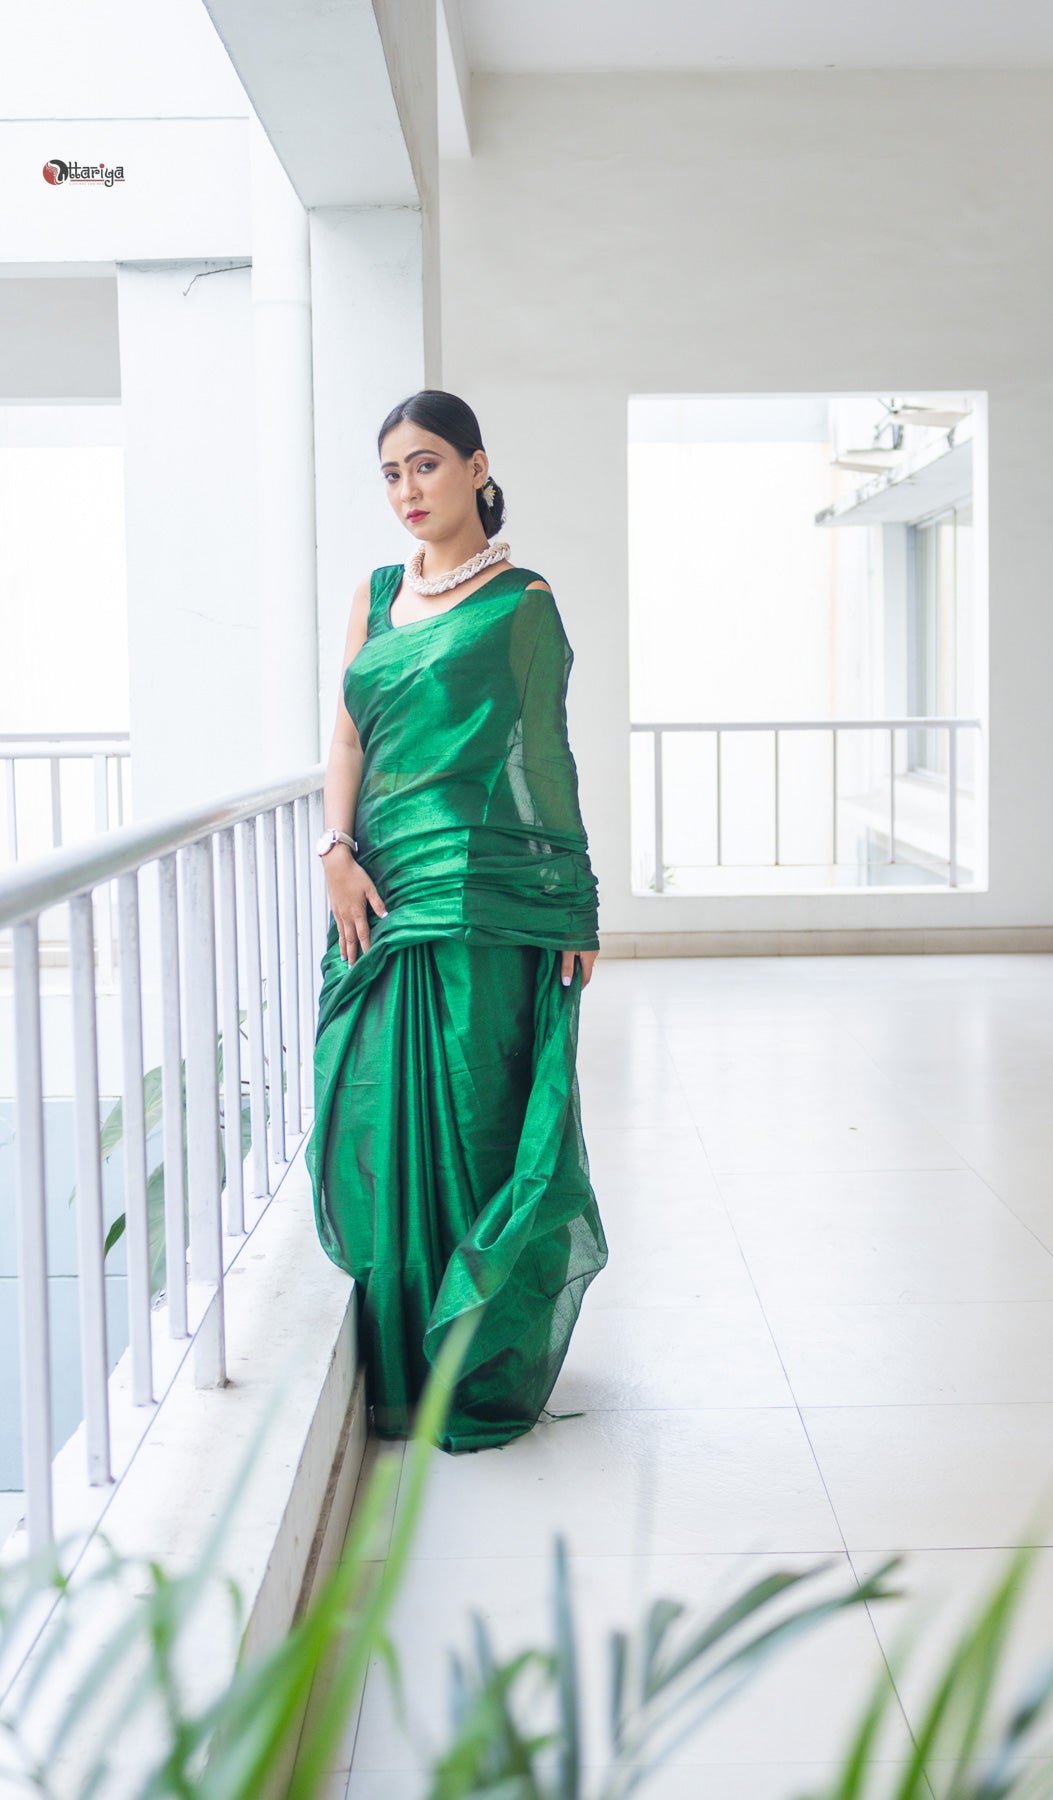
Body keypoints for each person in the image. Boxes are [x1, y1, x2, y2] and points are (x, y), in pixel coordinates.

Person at [304, 389, 608, 1454]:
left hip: (487, 898)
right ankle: (397, 1365)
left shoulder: (522, 600)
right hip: (381, 896)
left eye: (426, 466)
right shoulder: (375, 595)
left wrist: (572, 900)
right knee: (382, 1122)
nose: (408, 491)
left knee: (479, 1124)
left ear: (477, 469)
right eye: (391, 474)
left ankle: (473, 1362)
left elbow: (544, 758)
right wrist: (335, 852)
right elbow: (345, 741)